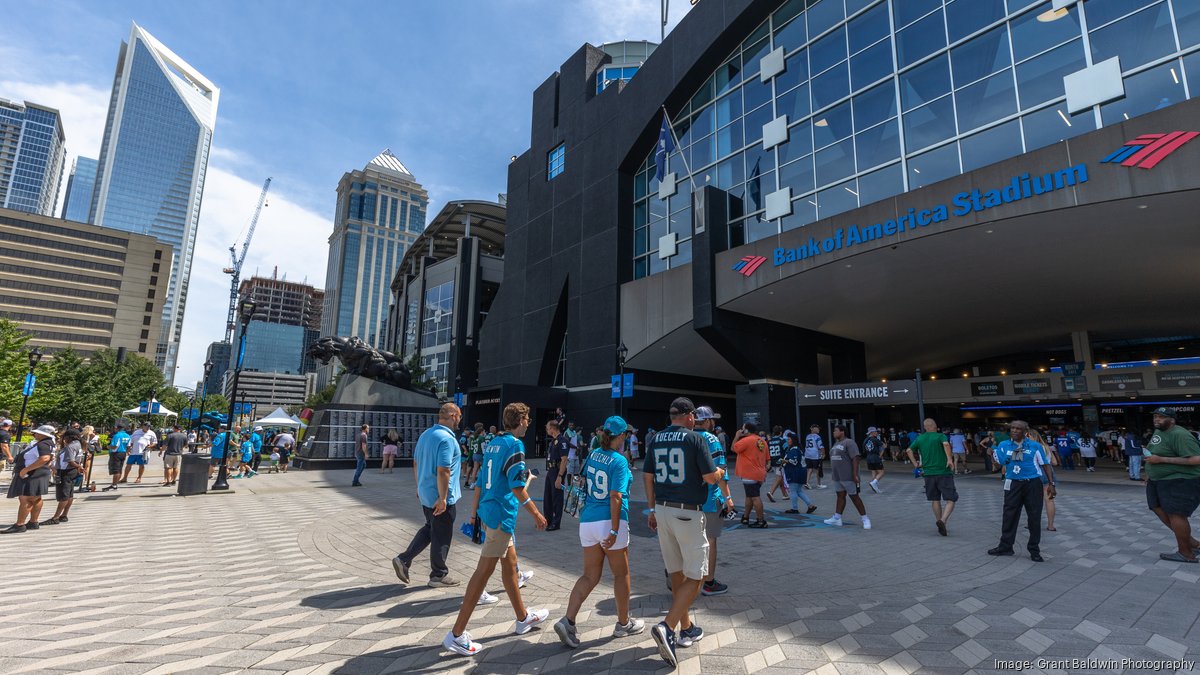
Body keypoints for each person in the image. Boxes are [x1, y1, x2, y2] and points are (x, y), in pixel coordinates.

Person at [444, 403, 549, 657]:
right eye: (527, 419)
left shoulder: (492, 442)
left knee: (510, 566)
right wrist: (537, 513)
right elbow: (516, 486)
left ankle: (523, 618)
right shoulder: (515, 445)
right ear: (520, 420)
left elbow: (481, 481)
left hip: (490, 512)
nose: (529, 423)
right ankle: (456, 634)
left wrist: (473, 513)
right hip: (502, 514)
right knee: (483, 573)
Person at [643, 397, 723, 667]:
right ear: (689, 416)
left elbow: (648, 475)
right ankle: (667, 626)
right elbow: (711, 476)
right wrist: (720, 472)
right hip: (687, 510)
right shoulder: (694, 439)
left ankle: (686, 627)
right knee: (698, 576)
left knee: (676, 571)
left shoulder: (656, 438)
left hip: (663, 510)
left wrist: (652, 508)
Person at [553, 415, 644, 648]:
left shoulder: (593, 454)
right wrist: (614, 529)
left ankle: (569, 620)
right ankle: (623, 623)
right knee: (621, 574)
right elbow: (616, 496)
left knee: (589, 575)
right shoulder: (619, 461)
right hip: (610, 521)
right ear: (621, 436)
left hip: (588, 520)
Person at [395, 403, 464, 587]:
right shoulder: (447, 439)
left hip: (426, 494)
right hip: (440, 498)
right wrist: (442, 498)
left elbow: (416, 463)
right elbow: (444, 470)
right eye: (459, 416)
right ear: (452, 416)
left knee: (430, 529)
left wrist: (419, 486)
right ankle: (438, 575)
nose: (460, 420)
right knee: (442, 534)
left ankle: (404, 560)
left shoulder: (426, 435)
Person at [988, 420, 1055, 562]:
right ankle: (1006, 546)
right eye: (1012, 428)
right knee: (1009, 515)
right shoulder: (1004, 445)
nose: (1014, 430)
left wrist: (1051, 483)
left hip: (1032, 484)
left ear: (1026, 431)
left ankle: (1034, 550)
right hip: (1012, 483)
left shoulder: (1035, 446)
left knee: (1034, 517)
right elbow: (1000, 463)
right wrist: (993, 454)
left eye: (1018, 429)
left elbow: (1046, 464)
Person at [1143, 407, 1200, 563]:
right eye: (1155, 416)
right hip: (1158, 480)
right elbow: (1156, 451)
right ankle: (1193, 543)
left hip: (1180, 480)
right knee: (1156, 507)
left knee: (1176, 514)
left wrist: (1161, 460)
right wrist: (1150, 470)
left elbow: (1196, 459)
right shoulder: (1159, 431)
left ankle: (1186, 553)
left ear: (1172, 419)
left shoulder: (1180, 435)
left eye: (1161, 417)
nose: (1156, 419)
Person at [694, 405, 734, 596]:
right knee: (710, 540)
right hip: (709, 498)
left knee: (689, 540)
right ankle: (708, 582)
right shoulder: (712, 439)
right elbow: (721, 473)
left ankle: (684, 578)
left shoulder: (686, 436)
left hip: (686, 500)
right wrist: (728, 497)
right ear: (708, 421)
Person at [2, 424, 56, 533]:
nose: (34, 434)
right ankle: (33, 522)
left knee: (26, 498)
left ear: (42, 434)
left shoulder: (43, 444)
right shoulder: (48, 443)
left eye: (37, 432)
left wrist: (26, 470)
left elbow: (44, 458)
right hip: (38, 473)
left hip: (33, 474)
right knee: (36, 498)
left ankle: (20, 524)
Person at [907, 418, 956, 536]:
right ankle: (943, 521)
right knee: (951, 499)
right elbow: (946, 445)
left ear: (925, 427)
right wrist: (949, 459)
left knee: (935, 499)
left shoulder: (920, 438)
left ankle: (939, 521)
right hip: (943, 472)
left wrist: (916, 465)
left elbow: (908, 450)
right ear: (935, 426)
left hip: (928, 473)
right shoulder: (940, 436)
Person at [824, 424, 870, 529]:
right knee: (840, 496)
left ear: (842, 432)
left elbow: (855, 458)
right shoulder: (836, 444)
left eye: (835, 431)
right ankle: (837, 518)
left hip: (848, 476)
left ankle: (865, 519)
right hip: (837, 476)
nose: (833, 433)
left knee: (854, 497)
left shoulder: (849, 442)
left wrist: (854, 474)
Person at [41, 426, 84, 525]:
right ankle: (64, 515)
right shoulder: (77, 444)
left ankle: (56, 517)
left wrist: (78, 466)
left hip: (66, 472)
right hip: (71, 471)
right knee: (69, 494)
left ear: (69, 437)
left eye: (64, 437)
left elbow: (70, 460)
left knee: (64, 495)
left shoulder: (70, 446)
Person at [731, 422, 769, 528]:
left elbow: (733, 448)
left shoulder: (746, 440)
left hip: (749, 473)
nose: (741, 431)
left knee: (755, 497)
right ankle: (745, 517)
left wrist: (737, 436)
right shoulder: (762, 441)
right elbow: (767, 458)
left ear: (746, 430)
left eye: (743, 429)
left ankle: (761, 520)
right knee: (750, 496)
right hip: (759, 472)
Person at [1027, 429, 1060, 531]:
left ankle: (1031, 524)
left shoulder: (1030, 447)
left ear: (1032, 436)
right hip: (1048, 473)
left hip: (1035, 473)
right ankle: (1051, 525)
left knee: (1033, 501)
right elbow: (1054, 462)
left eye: (1027, 436)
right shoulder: (1046, 447)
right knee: (1049, 500)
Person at [545, 419, 570, 531]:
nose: (546, 429)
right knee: (548, 497)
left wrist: (560, 476)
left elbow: (564, 460)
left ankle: (556, 523)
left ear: (553, 428)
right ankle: (548, 520)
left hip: (557, 470)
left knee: (557, 497)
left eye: (547, 427)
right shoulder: (553, 441)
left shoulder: (562, 441)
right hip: (550, 470)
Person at [783, 433, 816, 514]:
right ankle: (810, 505)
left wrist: (784, 461)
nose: (788, 441)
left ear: (793, 440)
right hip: (801, 471)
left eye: (789, 439)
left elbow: (794, 462)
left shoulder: (794, 449)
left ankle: (795, 508)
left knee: (793, 490)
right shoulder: (798, 449)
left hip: (795, 472)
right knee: (799, 491)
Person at [103, 422, 132, 491]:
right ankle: (115, 484)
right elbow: (129, 446)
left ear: (117, 428)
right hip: (123, 453)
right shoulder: (128, 436)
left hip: (116, 453)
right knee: (119, 469)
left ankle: (114, 484)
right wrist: (127, 451)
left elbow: (115, 446)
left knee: (116, 470)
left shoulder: (117, 435)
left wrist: (108, 446)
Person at [765, 426, 790, 503]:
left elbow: (766, 452)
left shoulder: (769, 441)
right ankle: (771, 492)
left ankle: (785, 495)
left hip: (772, 462)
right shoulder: (782, 440)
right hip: (780, 462)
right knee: (779, 478)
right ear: (780, 433)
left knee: (780, 479)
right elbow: (787, 450)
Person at [863, 426, 886, 493]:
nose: (877, 433)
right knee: (881, 472)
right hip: (875, 457)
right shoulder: (875, 439)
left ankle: (875, 487)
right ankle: (873, 483)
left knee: (874, 472)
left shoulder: (865, 440)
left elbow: (864, 450)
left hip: (868, 457)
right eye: (876, 432)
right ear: (872, 432)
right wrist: (880, 454)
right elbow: (884, 446)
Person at [803, 424, 826, 489]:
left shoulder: (808, 436)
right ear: (813, 429)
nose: (819, 429)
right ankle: (819, 484)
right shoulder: (817, 437)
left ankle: (807, 482)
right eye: (817, 428)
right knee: (817, 469)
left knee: (810, 468)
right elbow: (820, 446)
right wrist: (823, 453)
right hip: (815, 455)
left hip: (807, 454)